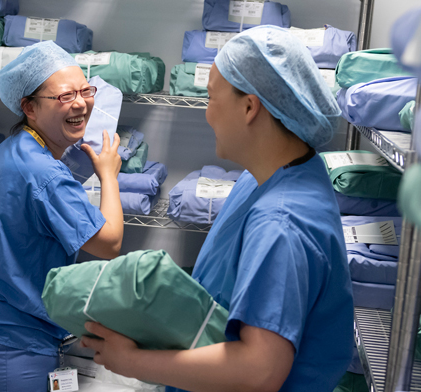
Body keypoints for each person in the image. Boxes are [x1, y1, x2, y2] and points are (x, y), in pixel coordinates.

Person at [79, 26, 355, 392]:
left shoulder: (282, 223)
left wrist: (131, 362)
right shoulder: (269, 175)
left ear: (249, 106)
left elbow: (260, 370)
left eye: (211, 98)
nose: (208, 115)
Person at [0, 40, 125, 392]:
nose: (81, 103)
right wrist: (109, 176)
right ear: (29, 107)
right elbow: (110, 242)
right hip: (17, 345)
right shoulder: (45, 174)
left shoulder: (7, 153)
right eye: (65, 96)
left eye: (86, 90)